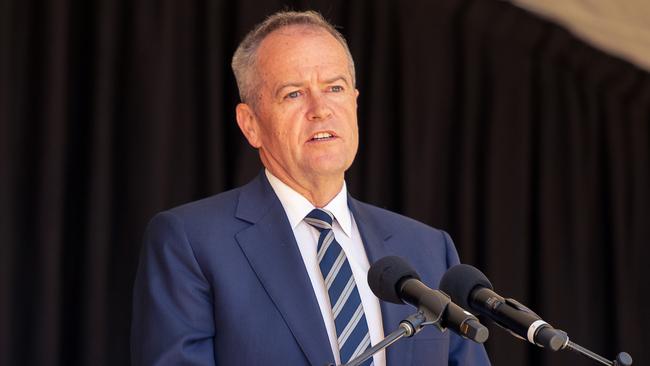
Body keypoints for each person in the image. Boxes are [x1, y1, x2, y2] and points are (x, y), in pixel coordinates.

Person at [131, 10, 490, 366]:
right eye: (293, 94)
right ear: (250, 123)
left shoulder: (428, 249)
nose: (320, 109)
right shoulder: (191, 242)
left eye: (334, 88)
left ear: (354, 102)